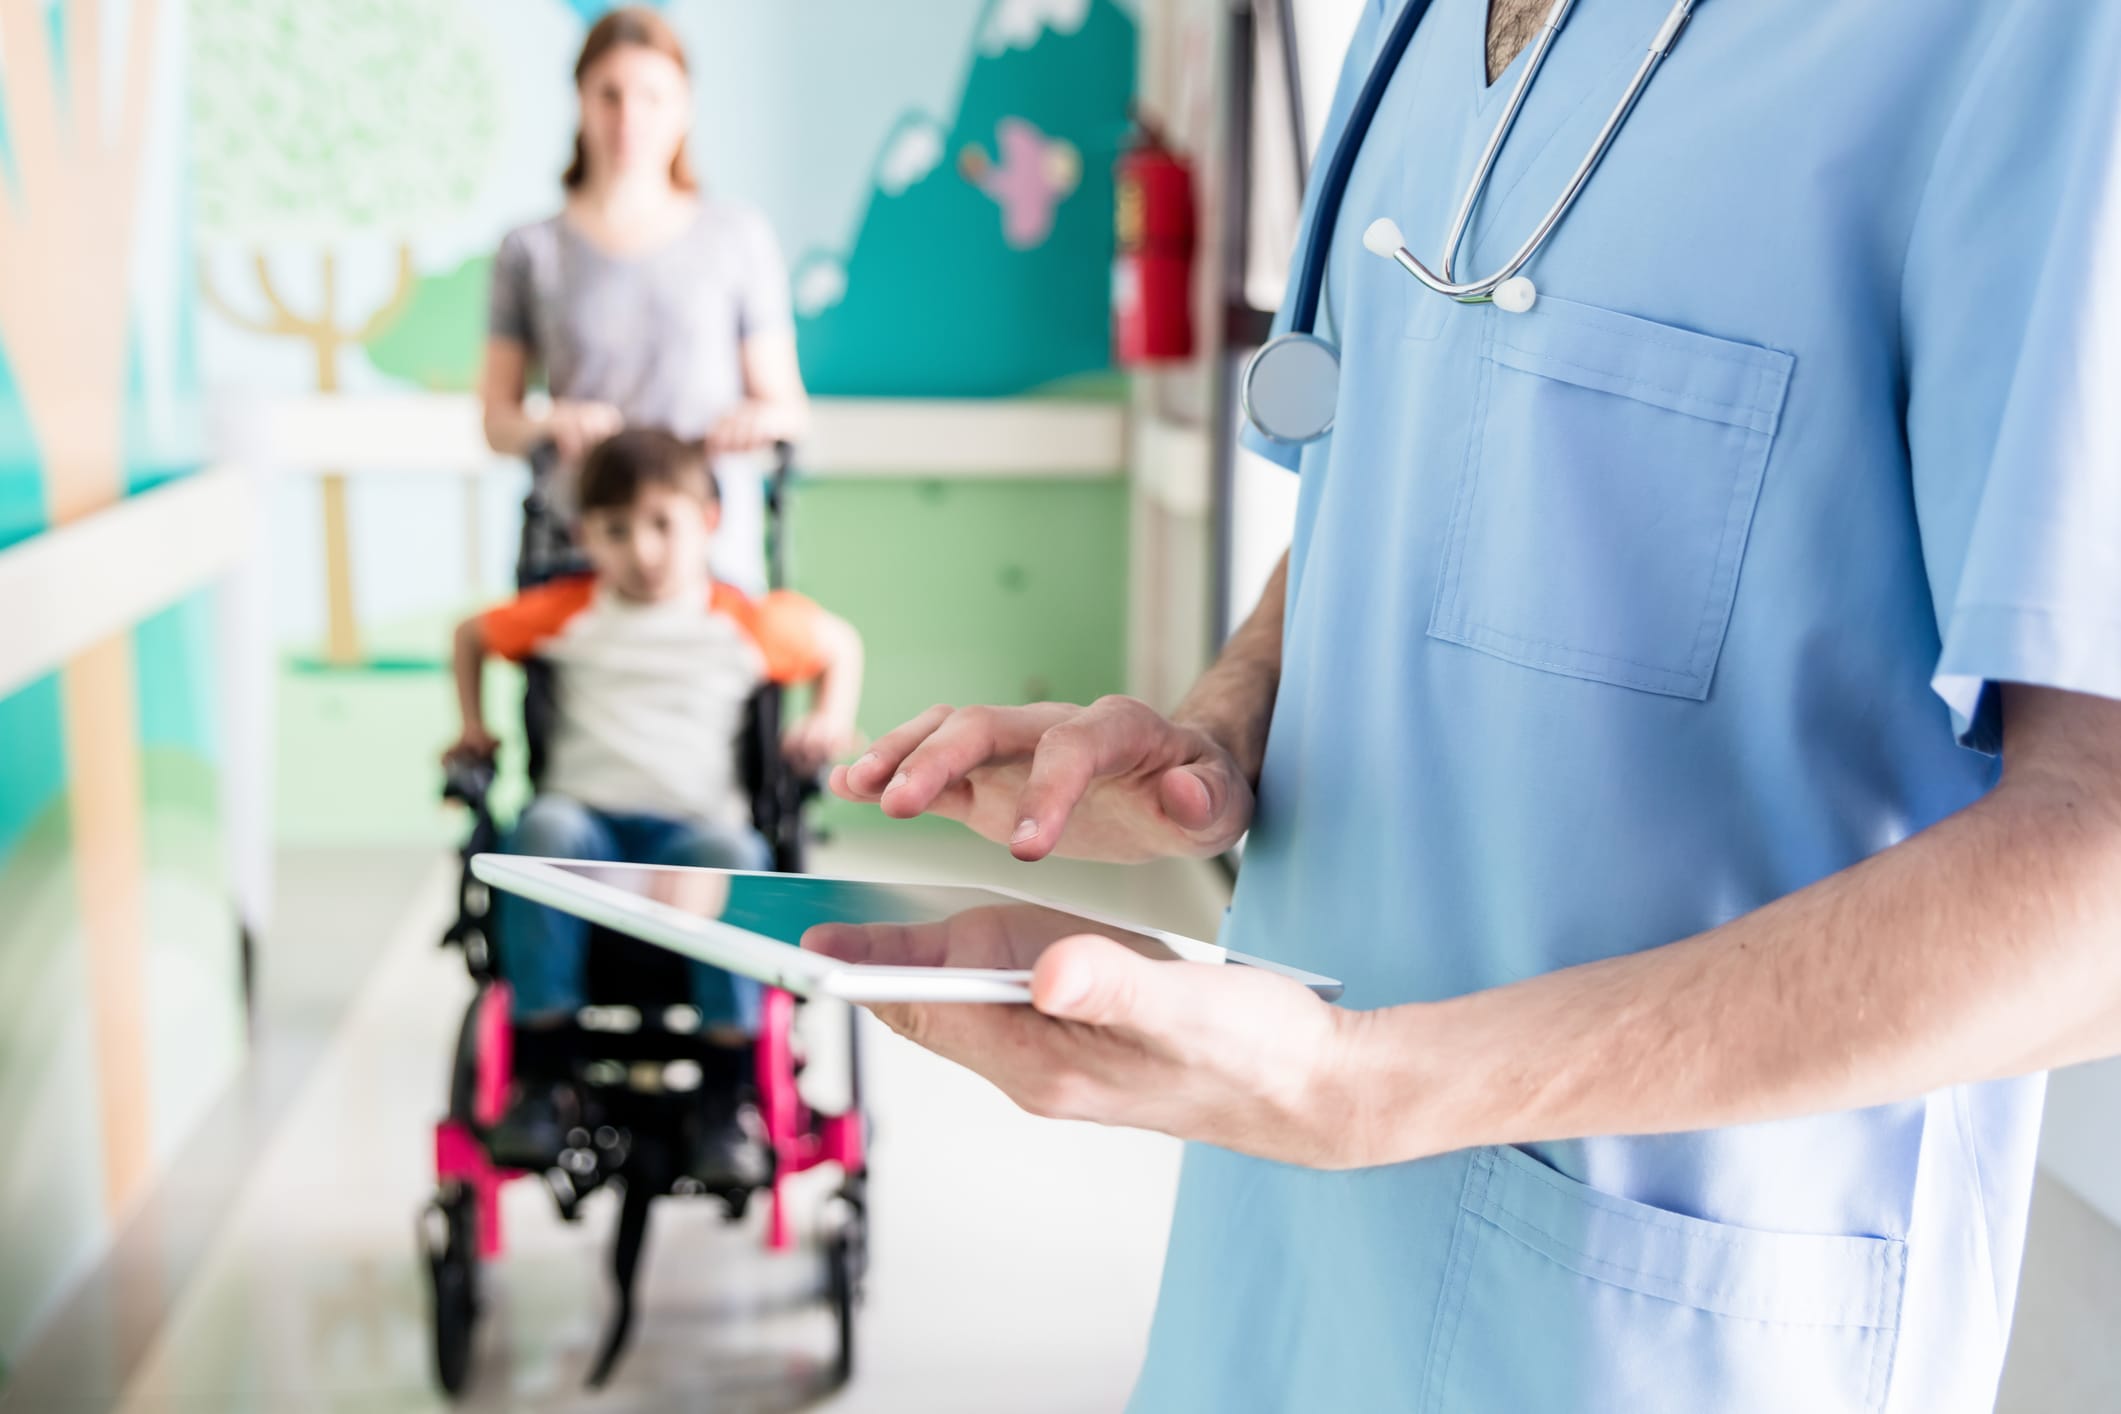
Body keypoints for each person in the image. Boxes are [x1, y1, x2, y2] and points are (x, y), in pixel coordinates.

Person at [827, 1, 2121, 1409]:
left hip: (1652, 1325)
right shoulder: (1420, 24)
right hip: (1282, 1270)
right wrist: (1220, 728)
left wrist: (1376, 1083)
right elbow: (1413, 445)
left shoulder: (2037, 42)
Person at [448, 428, 861, 1182]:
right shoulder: (564, 611)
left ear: (707, 520)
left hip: (697, 834)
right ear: (582, 536)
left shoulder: (747, 620)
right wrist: (472, 725)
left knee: (738, 856)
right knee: (538, 831)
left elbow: (840, 643)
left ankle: (726, 1097)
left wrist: (827, 716)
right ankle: (544, 1080)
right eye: (614, 531)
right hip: (586, 827)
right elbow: (470, 636)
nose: (641, 550)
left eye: (661, 524)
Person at [479, 5, 806, 592]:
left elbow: (788, 408)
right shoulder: (529, 250)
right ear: (580, 102)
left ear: (685, 107)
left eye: (652, 96)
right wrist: (553, 421)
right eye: (610, 94)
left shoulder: (738, 238)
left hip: (709, 555)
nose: (629, 116)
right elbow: (497, 423)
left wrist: (753, 422)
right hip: (582, 546)